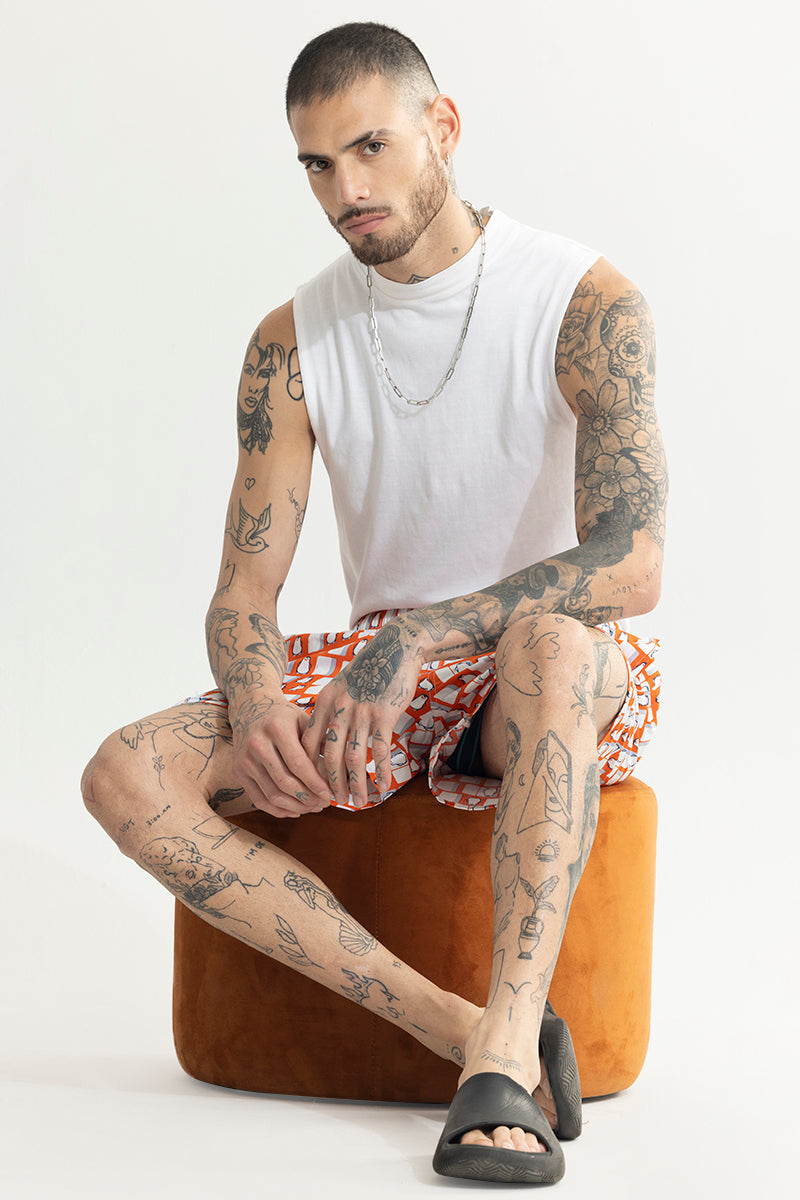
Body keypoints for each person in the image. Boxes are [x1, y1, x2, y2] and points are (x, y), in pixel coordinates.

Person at [82, 21, 667, 1186]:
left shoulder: (582, 299)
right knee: (122, 775)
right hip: (378, 673)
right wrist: (258, 700)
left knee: (550, 642)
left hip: (545, 662)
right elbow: (244, 590)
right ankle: (470, 1037)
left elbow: (632, 560)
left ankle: (506, 1043)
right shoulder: (290, 344)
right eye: (316, 164)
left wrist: (420, 634)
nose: (344, 190)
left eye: (369, 148)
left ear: (441, 126)